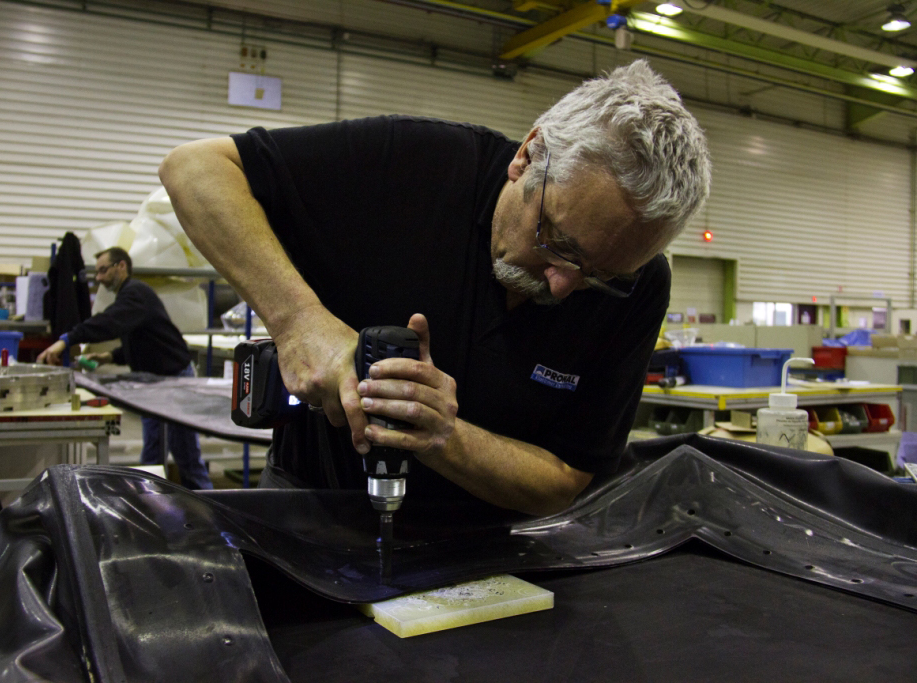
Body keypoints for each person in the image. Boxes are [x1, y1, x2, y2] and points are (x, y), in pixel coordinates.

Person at [158, 59, 709, 515]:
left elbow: (566, 478)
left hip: (491, 550)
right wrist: (298, 320)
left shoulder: (640, 284)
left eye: (602, 276)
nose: (565, 286)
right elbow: (195, 168)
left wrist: (446, 438)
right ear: (527, 157)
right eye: (558, 242)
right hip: (313, 507)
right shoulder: (414, 165)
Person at [37, 247, 213, 490]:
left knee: (186, 456)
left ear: (121, 266)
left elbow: (108, 322)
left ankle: (212, 508)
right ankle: (151, 503)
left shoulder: (135, 293)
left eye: (103, 270)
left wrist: (66, 339)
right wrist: (109, 356)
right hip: (153, 381)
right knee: (153, 454)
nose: (99, 277)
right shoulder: (129, 297)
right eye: (97, 272)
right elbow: (143, 341)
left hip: (174, 380)